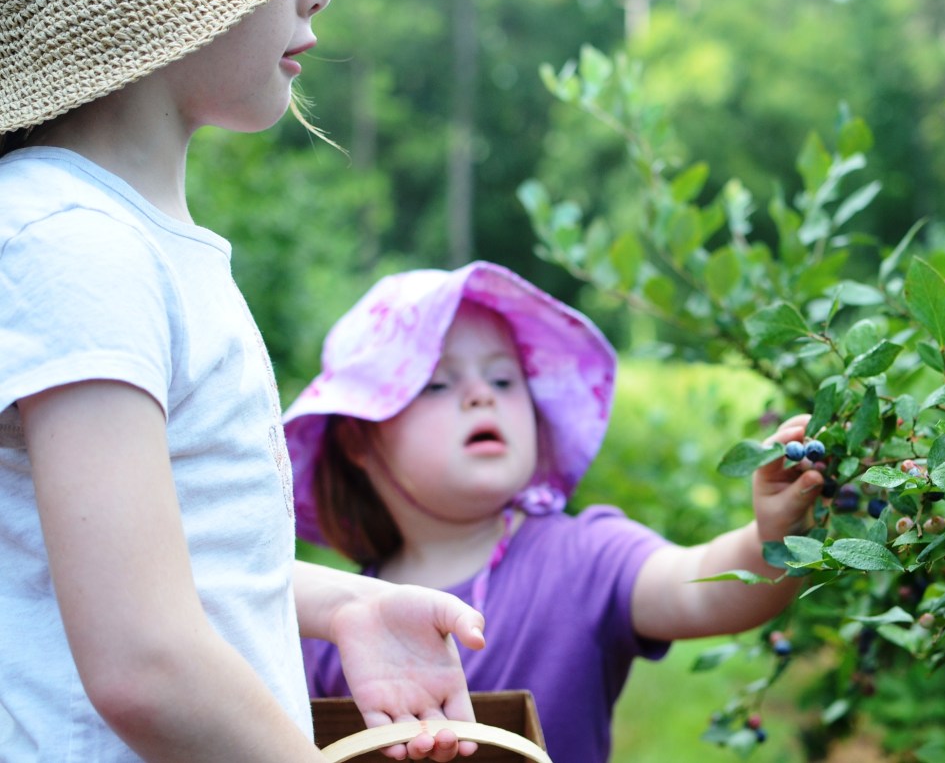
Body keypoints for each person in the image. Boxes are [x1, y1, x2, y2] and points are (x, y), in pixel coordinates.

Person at [0, 0, 488, 761]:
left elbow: (150, 563)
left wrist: (344, 604)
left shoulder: (114, 238)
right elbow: (145, 663)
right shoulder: (76, 246)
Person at [284, 260, 826, 763]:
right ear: (357, 438)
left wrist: (772, 537)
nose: (481, 395)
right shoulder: (333, 622)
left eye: (503, 379)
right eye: (437, 383)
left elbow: (701, 586)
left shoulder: (585, 557)